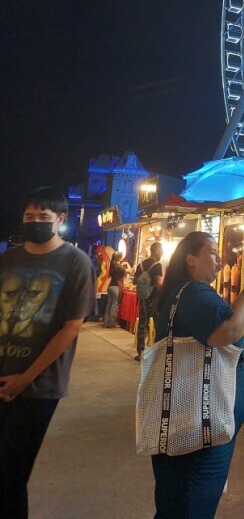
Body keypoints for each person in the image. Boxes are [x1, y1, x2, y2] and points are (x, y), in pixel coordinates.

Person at [150, 231, 244, 519]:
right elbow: (229, 331)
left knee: (177, 505)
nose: (219, 257)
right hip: (201, 429)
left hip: (195, 423)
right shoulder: (193, 293)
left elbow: (226, 325)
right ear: (190, 259)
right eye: (212, 251)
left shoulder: (187, 294)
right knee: (193, 506)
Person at [0, 187, 96, 518]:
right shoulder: (8, 259)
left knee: (11, 475)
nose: (36, 222)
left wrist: (24, 379)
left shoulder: (75, 261)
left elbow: (70, 327)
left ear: (61, 219)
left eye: (44, 217)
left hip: (40, 386)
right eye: (30, 216)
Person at [134, 242, 163, 360]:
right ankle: (156, 352)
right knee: (157, 324)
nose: (162, 253)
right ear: (157, 251)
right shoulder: (157, 265)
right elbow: (158, 283)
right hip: (154, 299)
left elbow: (135, 281)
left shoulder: (141, 264)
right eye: (161, 251)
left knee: (142, 324)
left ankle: (140, 352)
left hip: (143, 298)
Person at [103, 251, 126, 328]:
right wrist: (127, 264)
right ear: (119, 258)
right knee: (114, 306)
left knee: (108, 305)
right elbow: (129, 271)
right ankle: (111, 324)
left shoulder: (112, 265)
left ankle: (106, 323)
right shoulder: (118, 266)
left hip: (110, 287)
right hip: (116, 287)